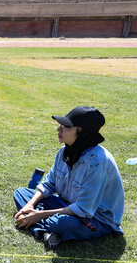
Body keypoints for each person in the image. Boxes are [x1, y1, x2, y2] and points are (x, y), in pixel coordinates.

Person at [14, 106, 124, 249]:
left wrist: (40, 214)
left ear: (82, 132)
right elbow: (49, 184)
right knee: (21, 193)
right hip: (66, 205)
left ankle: (40, 229)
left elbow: (83, 209)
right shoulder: (64, 151)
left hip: (95, 219)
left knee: (61, 224)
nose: (58, 130)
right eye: (60, 126)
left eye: (65, 127)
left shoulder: (98, 163)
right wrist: (30, 204)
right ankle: (45, 231)